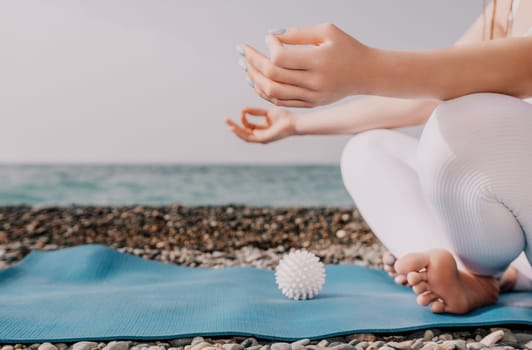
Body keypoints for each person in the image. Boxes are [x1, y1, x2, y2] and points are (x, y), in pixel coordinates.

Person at [225, 0, 532, 314]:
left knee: (462, 123)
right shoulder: (504, 5)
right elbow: (434, 91)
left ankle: (483, 272)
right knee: (367, 152)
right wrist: (296, 123)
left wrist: (363, 68)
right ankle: (477, 276)